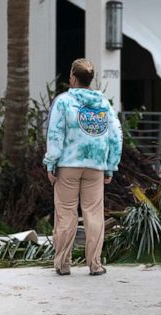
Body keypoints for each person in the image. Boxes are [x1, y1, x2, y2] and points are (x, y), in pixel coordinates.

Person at [43, 58, 123, 277]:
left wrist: (51, 163)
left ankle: (63, 263)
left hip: (68, 165)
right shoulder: (104, 103)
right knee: (94, 214)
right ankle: (95, 264)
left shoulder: (63, 101)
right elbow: (116, 136)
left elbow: (55, 134)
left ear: (73, 77)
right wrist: (110, 166)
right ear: (91, 79)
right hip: (95, 166)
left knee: (66, 213)